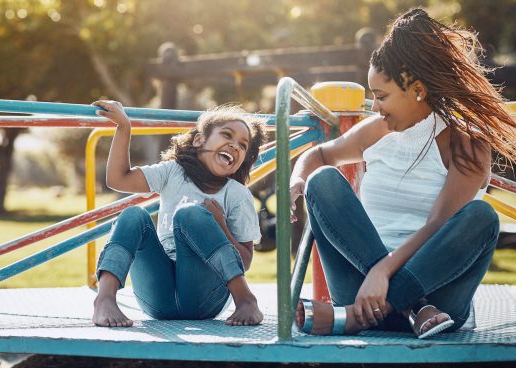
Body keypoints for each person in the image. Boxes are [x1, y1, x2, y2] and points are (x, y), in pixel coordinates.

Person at [290, 8, 516, 339]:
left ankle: (355, 318)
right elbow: (320, 154)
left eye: (382, 96)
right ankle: (409, 307)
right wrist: (298, 178)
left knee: (481, 217)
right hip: (365, 288)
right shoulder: (375, 131)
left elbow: (438, 225)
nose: (376, 106)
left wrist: (384, 272)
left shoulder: (466, 143)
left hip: (439, 298)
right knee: (322, 181)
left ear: (416, 88)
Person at [91, 101, 268, 327]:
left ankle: (246, 300)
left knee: (190, 215)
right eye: (226, 135)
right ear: (198, 140)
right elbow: (118, 179)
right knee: (132, 214)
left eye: (243, 146)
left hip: (203, 298)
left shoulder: (237, 195)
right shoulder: (173, 172)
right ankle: (105, 299)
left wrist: (219, 224)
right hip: (158, 298)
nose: (234, 146)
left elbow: (246, 260)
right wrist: (124, 127)